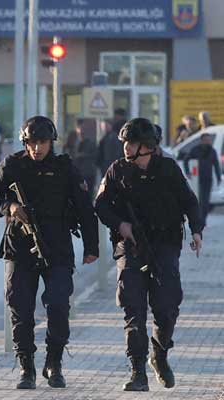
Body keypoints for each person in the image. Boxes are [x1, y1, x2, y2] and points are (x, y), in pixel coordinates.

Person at [94, 117, 203, 392]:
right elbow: (101, 205)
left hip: (164, 246)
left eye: (131, 144)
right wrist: (121, 224)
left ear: (148, 146)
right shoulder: (117, 171)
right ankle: (137, 371)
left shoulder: (168, 169)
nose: (126, 149)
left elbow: (189, 200)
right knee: (133, 309)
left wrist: (197, 230)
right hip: (130, 248)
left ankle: (160, 353)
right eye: (125, 143)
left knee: (167, 307)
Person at [0, 116, 99, 390]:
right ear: (24, 142)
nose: (37, 148)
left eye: (43, 143)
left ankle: (54, 362)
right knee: (20, 307)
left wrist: (91, 246)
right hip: (20, 246)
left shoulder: (65, 168)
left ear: (52, 142)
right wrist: (10, 206)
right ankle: (26, 366)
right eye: (32, 143)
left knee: (59, 305)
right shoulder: (13, 165)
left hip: (57, 246)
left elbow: (85, 207)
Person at [185, 133, 221, 225]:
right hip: (197, 180)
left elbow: (216, 164)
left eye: (209, 140)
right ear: (202, 141)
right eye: (206, 140)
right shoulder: (195, 150)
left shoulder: (212, 151)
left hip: (208, 179)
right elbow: (186, 159)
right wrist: (188, 172)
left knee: (205, 201)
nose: (209, 142)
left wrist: (218, 177)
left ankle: (203, 220)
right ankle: (198, 219)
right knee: (198, 200)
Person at [64, 119, 98, 198]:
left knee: (88, 194)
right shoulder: (72, 138)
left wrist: (82, 155)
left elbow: (94, 155)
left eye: (83, 128)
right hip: (76, 172)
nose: (81, 130)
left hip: (87, 172)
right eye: (79, 127)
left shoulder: (90, 141)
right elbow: (67, 152)